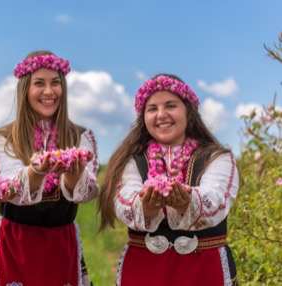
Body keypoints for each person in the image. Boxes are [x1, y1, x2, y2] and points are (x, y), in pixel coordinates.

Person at [98, 74, 239, 286]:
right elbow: (125, 198)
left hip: (203, 271)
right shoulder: (131, 161)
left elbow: (216, 197)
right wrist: (145, 205)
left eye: (171, 105)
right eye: (152, 108)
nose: (161, 114)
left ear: (188, 112)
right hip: (144, 271)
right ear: (143, 118)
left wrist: (188, 201)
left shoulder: (217, 158)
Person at [0, 50, 99, 286]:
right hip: (15, 244)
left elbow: (88, 191)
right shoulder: (3, 138)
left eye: (55, 83)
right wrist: (36, 172)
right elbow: (10, 188)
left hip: (61, 244)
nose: (49, 91)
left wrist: (74, 175)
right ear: (25, 90)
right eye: (39, 83)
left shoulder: (81, 136)